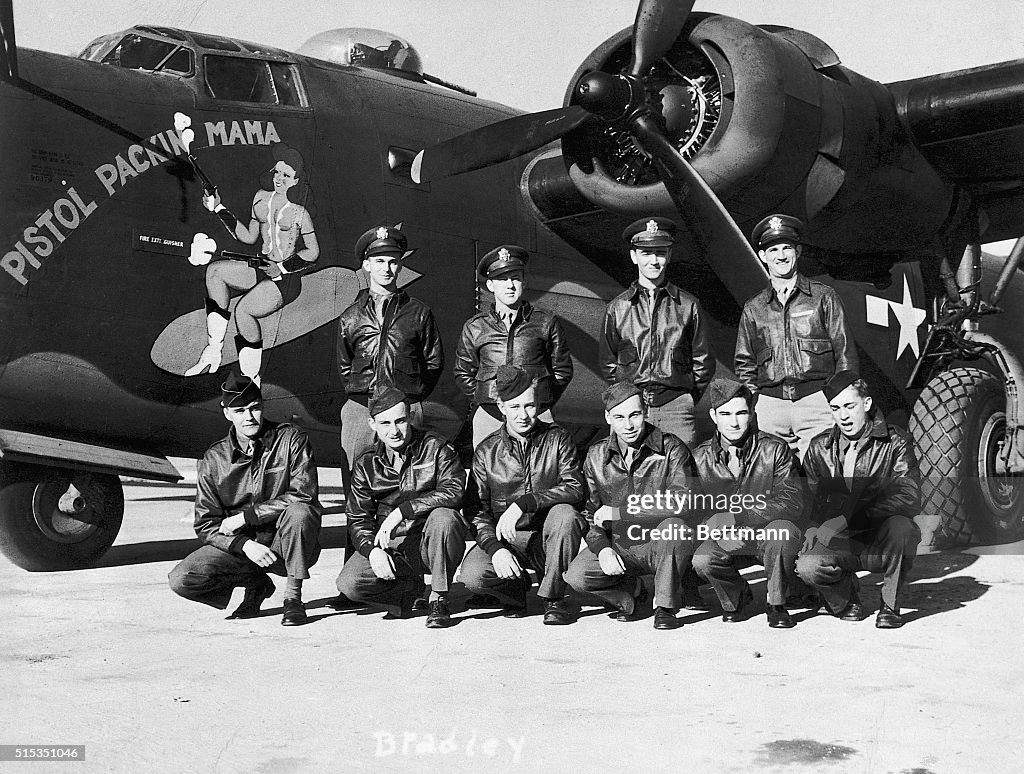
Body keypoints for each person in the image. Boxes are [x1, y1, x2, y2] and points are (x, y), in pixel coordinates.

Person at [168, 373, 321, 626]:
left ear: (263, 406)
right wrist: (244, 545)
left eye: (254, 408)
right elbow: (205, 524)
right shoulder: (214, 458)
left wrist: (246, 517)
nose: (249, 417)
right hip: (243, 547)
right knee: (183, 578)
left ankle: (293, 599)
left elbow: (303, 493)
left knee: (300, 512)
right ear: (227, 413)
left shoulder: (291, 439)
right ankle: (257, 584)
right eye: (239, 411)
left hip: (286, 541)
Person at [564, 381, 701, 630]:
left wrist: (620, 512)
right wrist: (603, 548)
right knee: (577, 576)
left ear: (645, 411)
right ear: (608, 418)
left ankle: (666, 605)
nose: (628, 425)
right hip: (621, 544)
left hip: (662, 542)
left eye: (634, 415)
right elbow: (589, 512)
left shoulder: (672, 449)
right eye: (619, 417)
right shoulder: (596, 456)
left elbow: (685, 502)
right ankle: (632, 592)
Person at [460, 366, 587, 625]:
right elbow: (476, 510)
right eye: (515, 407)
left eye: (529, 406)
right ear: (501, 406)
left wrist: (525, 503)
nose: (523, 415)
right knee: (473, 575)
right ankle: (514, 589)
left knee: (565, 514)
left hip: (548, 537)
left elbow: (575, 487)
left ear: (538, 405)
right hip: (506, 538)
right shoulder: (487, 451)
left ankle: (553, 598)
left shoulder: (558, 439)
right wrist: (495, 549)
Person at [795, 371, 922, 629]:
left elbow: (908, 496)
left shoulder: (895, 442)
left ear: (866, 404)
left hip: (879, 537)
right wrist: (810, 526)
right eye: (835, 408)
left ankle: (890, 605)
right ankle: (846, 599)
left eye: (849, 406)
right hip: (841, 541)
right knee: (808, 565)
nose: (843, 416)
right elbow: (807, 498)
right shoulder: (820, 447)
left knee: (902, 528)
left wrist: (848, 518)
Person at [186, 144, 319, 385]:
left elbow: (313, 252)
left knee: (244, 311)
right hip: (261, 265)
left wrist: (283, 268)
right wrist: (218, 208)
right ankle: (213, 352)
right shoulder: (260, 198)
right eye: (277, 172)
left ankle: (250, 377)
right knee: (215, 272)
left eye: (286, 176)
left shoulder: (300, 213)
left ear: (296, 181)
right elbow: (248, 236)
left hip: (285, 278)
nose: (279, 179)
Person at [334, 386, 467, 628]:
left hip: (430, 539)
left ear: (410, 418)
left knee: (445, 518)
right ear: (372, 425)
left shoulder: (436, 447)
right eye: (385, 423)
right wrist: (371, 551)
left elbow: (455, 490)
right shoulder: (366, 463)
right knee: (349, 583)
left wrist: (404, 511)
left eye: (400, 421)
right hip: (394, 545)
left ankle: (439, 598)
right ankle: (407, 588)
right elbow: (357, 517)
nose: (394, 431)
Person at [734, 214, 858, 459]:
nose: (781, 256)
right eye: (773, 250)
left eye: (787, 248)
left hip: (817, 402)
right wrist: (756, 401)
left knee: (823, 478)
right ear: (763, 256)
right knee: (772, 483)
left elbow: (844, 352)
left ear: (798, 251)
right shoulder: (753, 307)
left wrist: (838, 399)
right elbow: (744, 362)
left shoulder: (824, 297)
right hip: (770, 407)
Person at [336, 225, 444, 493]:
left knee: (411, 480)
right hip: (362, 409)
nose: (387, 268)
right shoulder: (351, 316)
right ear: (367, 265)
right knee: (357, 480)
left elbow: (433, 361)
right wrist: (361, 394)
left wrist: (412, 397)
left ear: (399, 267)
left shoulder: (419, 312)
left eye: (393, 262)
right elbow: (344, 363)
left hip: (406, 408)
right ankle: (358, 535)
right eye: (379, 261)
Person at [691, 378, 806, 628]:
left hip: (767, 534)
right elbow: (691, 509)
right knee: (702, 558)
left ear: (752, 413)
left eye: (741, 413)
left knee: (782, 532)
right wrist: (715, 533)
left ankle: (777, 603)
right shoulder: (699, 458)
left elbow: (792, 500)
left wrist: (738, 517)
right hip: (729, 539)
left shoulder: (775, 449)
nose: (734, 422)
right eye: (726, 414)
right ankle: (736, 597)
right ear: (713, 416)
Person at [599, 216, 715, 448]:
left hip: (676, 408)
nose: (654, 260)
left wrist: (685, 397)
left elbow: (702, 361)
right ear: (634, 256)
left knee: (679, 479)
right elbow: (607, 362)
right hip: (631, 408)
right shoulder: (617, 308)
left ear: (669, 255)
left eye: (660, 253)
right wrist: (626, 397)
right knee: (631, 477)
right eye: (646, 253)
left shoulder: (688, 305)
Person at [454, 245, 573, 446]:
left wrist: (541, 399)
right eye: (502, 279)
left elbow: (562, 370)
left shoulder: (545, 322)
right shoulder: (476, 327)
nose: (510, 285)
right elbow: (462, 372)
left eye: (515, 278)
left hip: (536, 416)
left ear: (524, 282)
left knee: (540, 472)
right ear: (490, 285)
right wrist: (485, 397)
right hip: (490, 416)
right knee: (490, 472)